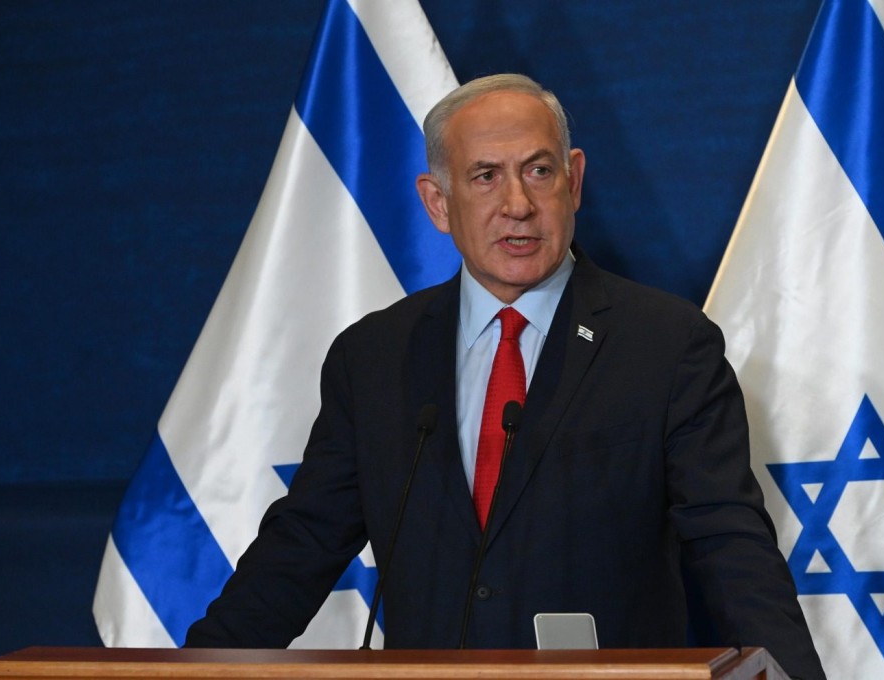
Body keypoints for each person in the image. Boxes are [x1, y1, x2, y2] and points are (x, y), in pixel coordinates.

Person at [185, 73, 825, 680]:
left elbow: (731, 547)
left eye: (538, 171)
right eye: (485, 177)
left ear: (573, 181)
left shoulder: (666, 345)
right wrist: (189, 670)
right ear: (438, 202)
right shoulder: (376, 356)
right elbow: (303, 544)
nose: (517, 204)